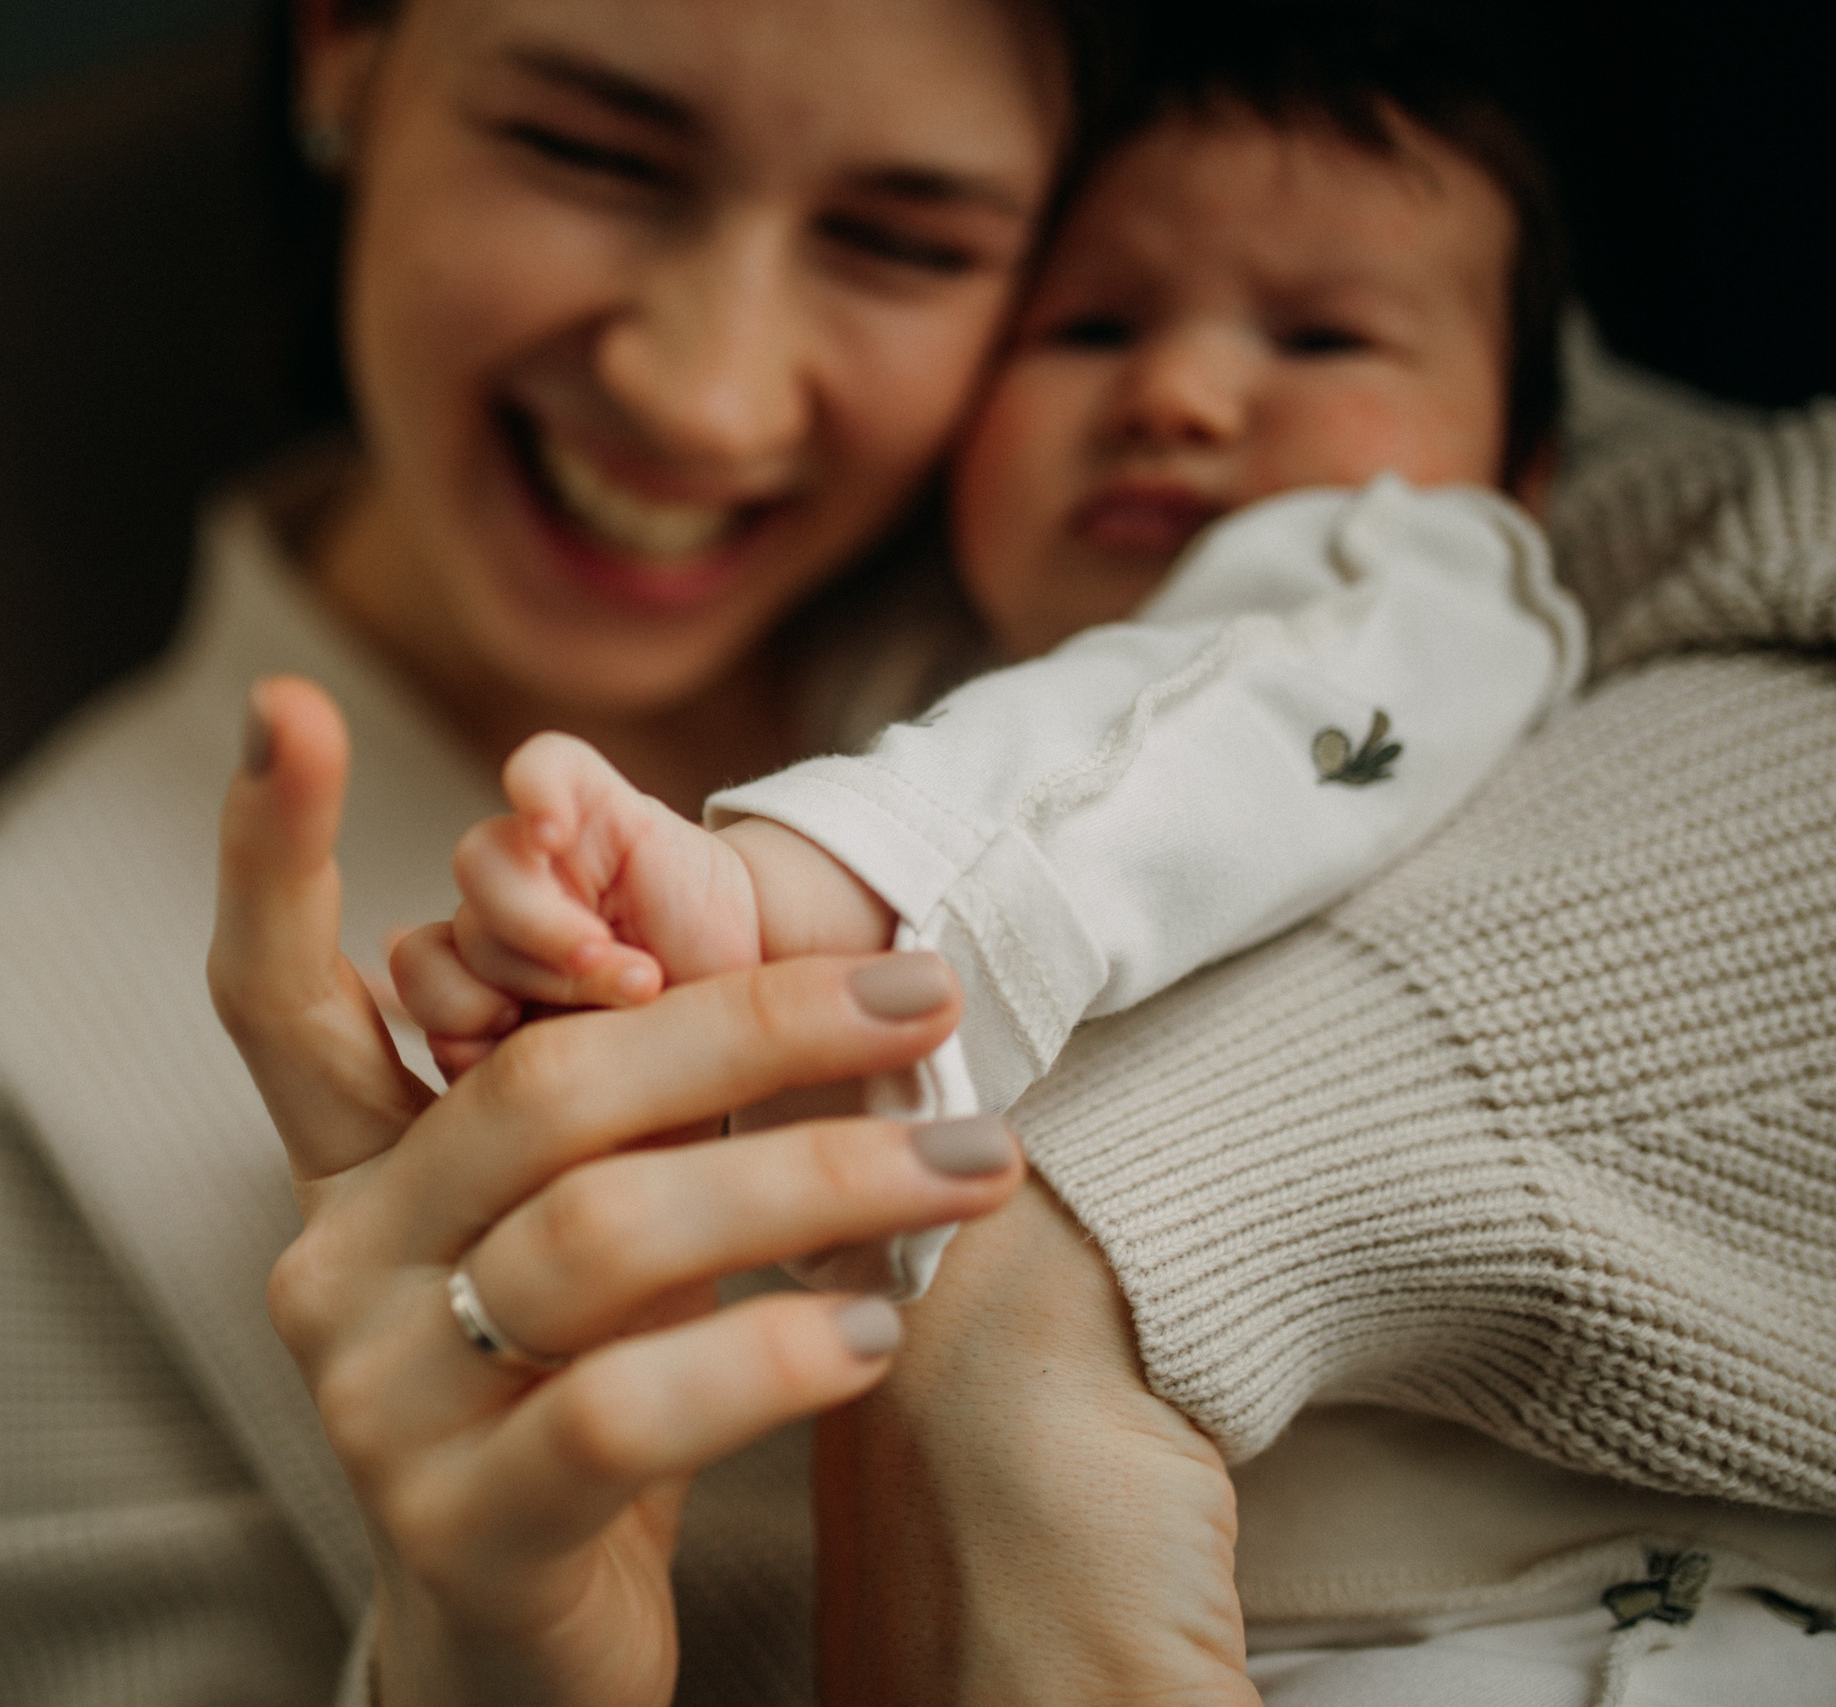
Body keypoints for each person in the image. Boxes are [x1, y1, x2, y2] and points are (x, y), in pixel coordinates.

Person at [0, 0, 1103, 1702]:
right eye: (588, 153)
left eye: (901, 241)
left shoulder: (1177, 598)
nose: (706, 398)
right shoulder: (7, 1040)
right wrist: (486, 1666)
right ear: (343, 42)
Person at [398, 51, 1592, 1299]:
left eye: (1324, 337)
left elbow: (1193, 730)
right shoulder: (911, 649)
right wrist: (632, 1027)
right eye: (1091, 328)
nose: (1174, 395)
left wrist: (787, 902)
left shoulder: (1427, 597)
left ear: (1526, 477)